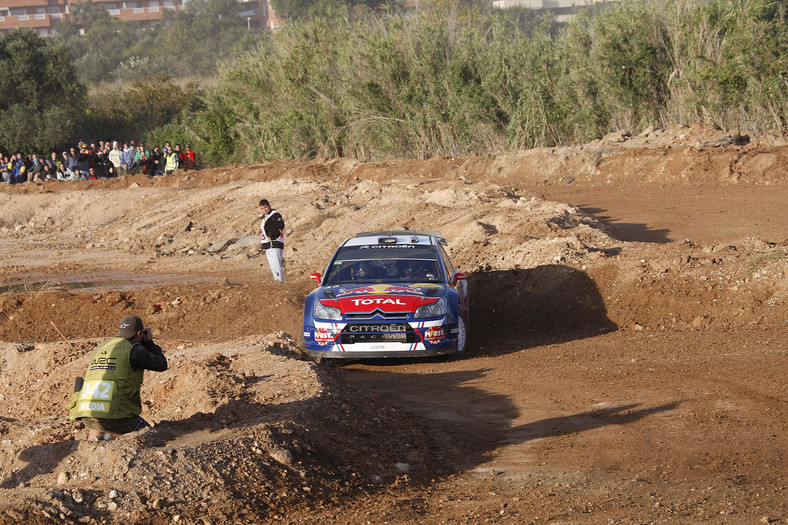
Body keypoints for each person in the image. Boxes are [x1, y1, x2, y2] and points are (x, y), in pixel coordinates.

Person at [69, 315, 167, 441]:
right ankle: (109, 438)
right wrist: (149, 342)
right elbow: (161, 364)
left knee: (101, 417)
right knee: (151, 435)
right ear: (139, 333)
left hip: (86, 415)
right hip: (118, 420)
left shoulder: (102, 348)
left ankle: (92, 442)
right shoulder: (133, 349)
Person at [259, 199, 285, 283]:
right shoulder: (266, 217)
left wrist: (272, 235)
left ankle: (280, 282)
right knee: (273, 266)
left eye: (265, 207)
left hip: (275, 243)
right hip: (268, 245)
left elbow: (280, 225)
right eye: (262, 208)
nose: (264, 209)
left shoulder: (275, 215)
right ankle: (277, 282)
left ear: (269, 205)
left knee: (277, 265)